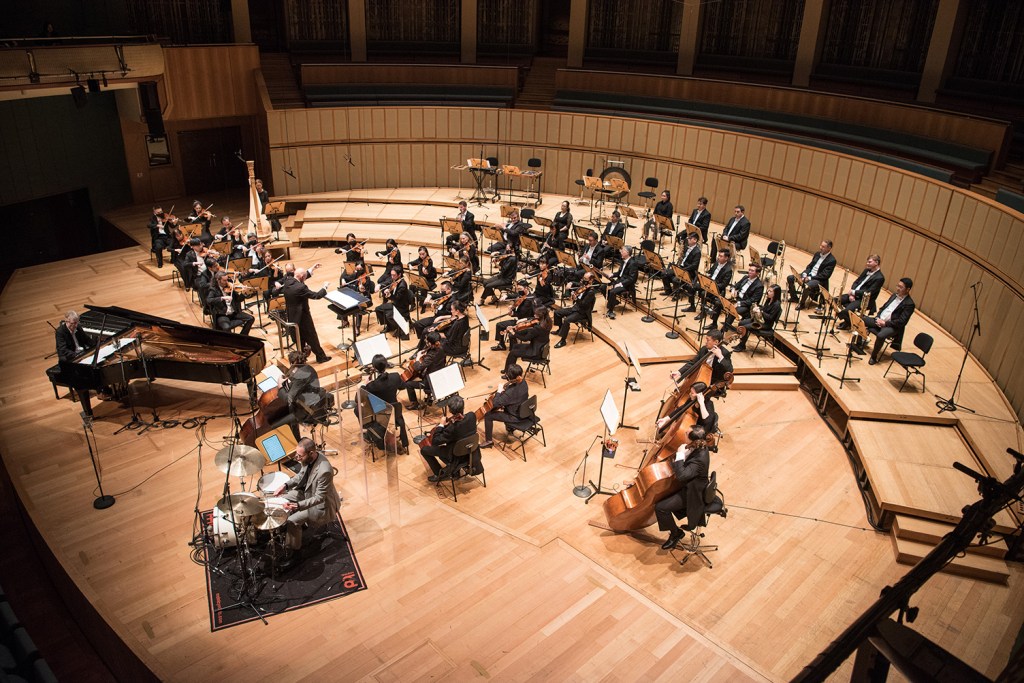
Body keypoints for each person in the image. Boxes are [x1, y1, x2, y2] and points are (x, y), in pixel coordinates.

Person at [272, 437, 341, 567]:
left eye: (300, 456)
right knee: (282, 498)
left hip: (322, 506)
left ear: (311, 453)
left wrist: (298, 506)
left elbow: (319, 498)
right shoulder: (308, 459)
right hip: (308, 493)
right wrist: (285, 486)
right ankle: (294, 532)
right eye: (297, 454)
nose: (297, 458)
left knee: (292, 521)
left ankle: (295, 555)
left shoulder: (325, 471)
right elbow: (300, 476)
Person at [654, 426, 711, 549]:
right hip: (689, 486)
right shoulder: (700, 445)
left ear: (693, 440)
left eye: (687, 433)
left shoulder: (699, 459)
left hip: (693, 494)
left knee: (661, 508)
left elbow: (681, 476)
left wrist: (680, 455)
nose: (684, 432)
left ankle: (676, 533)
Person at [419, 395, 479, 482]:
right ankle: (454, 470)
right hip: (471, 450)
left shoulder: (452, 429)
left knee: (424, 450)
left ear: (450, 410)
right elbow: (462, 426)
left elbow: (435, 441)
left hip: (456, 454)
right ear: (463, 407)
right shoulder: (472, 416)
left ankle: (439, 474)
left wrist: (441, 425)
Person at [281, 264, 331, 363]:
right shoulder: (301, 287)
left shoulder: (287, 281)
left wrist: (312, 269)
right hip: (303, 317)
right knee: (312, 337)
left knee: (299, 339)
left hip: (292, 316)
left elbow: (301, 277)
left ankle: (301, 359)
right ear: (302, 277)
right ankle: (321, 357)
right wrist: (325, 287)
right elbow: (316, 295)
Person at [361, 353, 410, 453]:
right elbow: (402, 386)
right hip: (396, 413)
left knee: (358, 410)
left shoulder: (373, 385)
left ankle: (370, 434)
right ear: (386, 364)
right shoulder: (395, 376)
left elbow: (362, 397)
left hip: (381, 415)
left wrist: (365, 383)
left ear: (374, 368)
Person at [863, 277, 916, 366]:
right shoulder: (894, 295)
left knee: (881, 335)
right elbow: (883, 308)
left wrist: (885, 323)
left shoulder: (909, 304)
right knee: (862, 319)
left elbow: (902, 321)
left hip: (892, 326)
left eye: (901, 287)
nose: (898, 288)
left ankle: (873, 357)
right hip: (879, 320)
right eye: (898, 286)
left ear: (908, 289)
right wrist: (878, 317)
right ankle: (859, 343)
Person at [55, 310, 98, 415]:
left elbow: (87, 340)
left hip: (81, 355)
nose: (75, 325)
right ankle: (89, 400)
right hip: (69, 359)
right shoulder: (60, 332)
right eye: (73, 323)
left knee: (97, 364)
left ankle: (101, 389)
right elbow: (63, 350)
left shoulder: (78, 328)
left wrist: (97, 346)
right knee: (84, 373)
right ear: (66, 321)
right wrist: (77, 355)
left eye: (76, 323)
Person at [479, 364, 529, 448]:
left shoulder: (510, 392)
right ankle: (510, 428)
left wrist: (499, 391)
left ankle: (488, 441)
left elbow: (495, 403)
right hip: (523, 411)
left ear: (510, 378)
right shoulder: (523, 382)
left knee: (488, 415)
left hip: (515, 416)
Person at [836, 255, 886, 328]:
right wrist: (852, 294)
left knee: (847, 311)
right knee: (834, 300)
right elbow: (856, 282)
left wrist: (854, 292)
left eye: (869, 262)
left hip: (864, 300)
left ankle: (849, 324)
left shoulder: (880, 278)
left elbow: (869, 292)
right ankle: (848, 321)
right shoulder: (866, 270)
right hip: (854, 294)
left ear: (876, 262)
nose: (867, 263)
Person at [711, 264, 764, 331]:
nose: (749, 272)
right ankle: (714, 324)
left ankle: (724, 330)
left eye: (752, 271)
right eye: (749, 270)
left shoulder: (759, 286)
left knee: (733, 310)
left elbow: (752, 301)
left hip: (746, 305)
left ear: (757, 273)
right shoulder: (745, 277)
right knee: (718, 302)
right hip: (736, 300)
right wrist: (733, 289)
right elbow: (736, 285)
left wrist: (739, 303)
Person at [787, 239, 836, 309]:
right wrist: (805, 273)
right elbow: (810, 266)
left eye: (823, 247)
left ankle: (802, 304)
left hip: (818, 279)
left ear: (829, 248)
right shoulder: (817, 254)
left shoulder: (832, 260)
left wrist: (810, 278)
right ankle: (794, 297)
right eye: (821, 246)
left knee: (807, 286)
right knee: (790, 278)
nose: (820, 248)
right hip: (808, 275)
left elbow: (825, 275)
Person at [733, 284, 782, 353]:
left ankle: (741, 345)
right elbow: (764, 309)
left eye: (770, 291)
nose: (768, 292)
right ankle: (741, 343)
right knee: (741, 323)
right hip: (760, 320)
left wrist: (761, 312)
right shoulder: (768, 299)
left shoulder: (777, 305)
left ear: (776, 293)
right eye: (768, 290)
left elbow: (770, 318)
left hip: (766, 324)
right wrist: (758, 308)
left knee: (745, 327)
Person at [553, 273, 597, 348]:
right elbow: (577, 283)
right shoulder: (583, 286)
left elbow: (583, 304)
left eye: (585, 279)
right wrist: (571, 283)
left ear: (591, 280)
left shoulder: (591, 292)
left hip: (582, 313)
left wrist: (576, 298)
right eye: (583, 278)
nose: (583, 280)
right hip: (576, 308)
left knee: (566, 320)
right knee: (557, 312)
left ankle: (563, 341)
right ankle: (560, 330)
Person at [404, 332, 446, 407]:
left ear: (430, 343)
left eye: (427, 341)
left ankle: (415, 404)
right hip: (440, 375)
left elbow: (418, 368)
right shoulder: (441, 347)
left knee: (408, 384)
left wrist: (417, 357)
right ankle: (428, 398)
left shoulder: (431, 355)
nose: (425, 341)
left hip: (430, 381)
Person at [505, 305, 551, 372]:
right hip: (540, 348)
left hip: (535, 352)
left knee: (512, 353)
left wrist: (513, 333)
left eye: (536, 314)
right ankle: (510, 369)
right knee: (515, 346)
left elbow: (525, 339)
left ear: (540, 316)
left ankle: (508, 372)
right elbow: (529, 331)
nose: (534, 315)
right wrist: (516, 330)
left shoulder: (538, 328)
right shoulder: (547, 322)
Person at [662, 232, 702, 311]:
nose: (688, 240)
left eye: (690, 238)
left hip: (688, 272)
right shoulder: (687, 247)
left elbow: (694, 265)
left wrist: (683, 269)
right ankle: (668, 291)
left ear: (695, 240)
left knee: (675, 279)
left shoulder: (697, 252)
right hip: (681, 267)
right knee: (665, 273)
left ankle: (677, 295)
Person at [492, 280, 534, 351]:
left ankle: (508, 347)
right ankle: (501, 344)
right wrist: (506, 296)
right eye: (518, 289)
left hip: (524, 321)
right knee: (499, 325)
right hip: (519, 318)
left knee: (499, 325)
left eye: (520, 289)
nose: (519, 291)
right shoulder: (523, 294)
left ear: (526, 288)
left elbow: (521, 313)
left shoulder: (529, 300)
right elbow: (514, 295)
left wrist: (512, 313)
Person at [695, 249, 732, 326]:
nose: (718, 257)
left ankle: (703, 312)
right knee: (694, 285)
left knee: (703, 293)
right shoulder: (716, 263)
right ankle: (693, 306)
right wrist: (707, 275)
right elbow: (711, 272)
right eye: (719, 255)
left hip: (717, 289)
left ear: (726, 258)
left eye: (721, 256)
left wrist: (712, 285)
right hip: (709, 284)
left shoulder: (728, 270)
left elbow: (724, 284)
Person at [375, 265, 413, 340]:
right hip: (395, 304)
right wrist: (380, 285)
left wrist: (389, 295)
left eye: (394, 275)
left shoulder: (402, 285)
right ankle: (390, 326)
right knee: (378, 309)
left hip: (401, 306)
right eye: (391, 275)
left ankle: (398, 327)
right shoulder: (394, 279)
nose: (392, 277)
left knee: (389, 315)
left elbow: (397, 298)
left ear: (399, 275)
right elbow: (387, 282)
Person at [605, 246, 639, 319]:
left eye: (622, 251)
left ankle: (610, 311)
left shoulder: (633, 263)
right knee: (603, 287)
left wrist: (620, 284)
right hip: (619, 281)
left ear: (627, 253)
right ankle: (613, 302)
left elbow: (631, 279)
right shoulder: (623, 260)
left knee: (612, 291)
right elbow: (620, 273)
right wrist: (613, 274)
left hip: (627, 285)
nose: (621, 252)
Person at [408, 246, 438, 311]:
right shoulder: (419, 260)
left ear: (426, 253)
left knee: (422, 288)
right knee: (411, 286)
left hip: (429, 281)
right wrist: (410, 266)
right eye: (420, 254)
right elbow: (410, 263)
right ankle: (412, 304)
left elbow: (429, 273)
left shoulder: (429, 261)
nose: (422, 256)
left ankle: (423, 302)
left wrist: (426, 272)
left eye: (423, 254)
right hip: (421, 280)